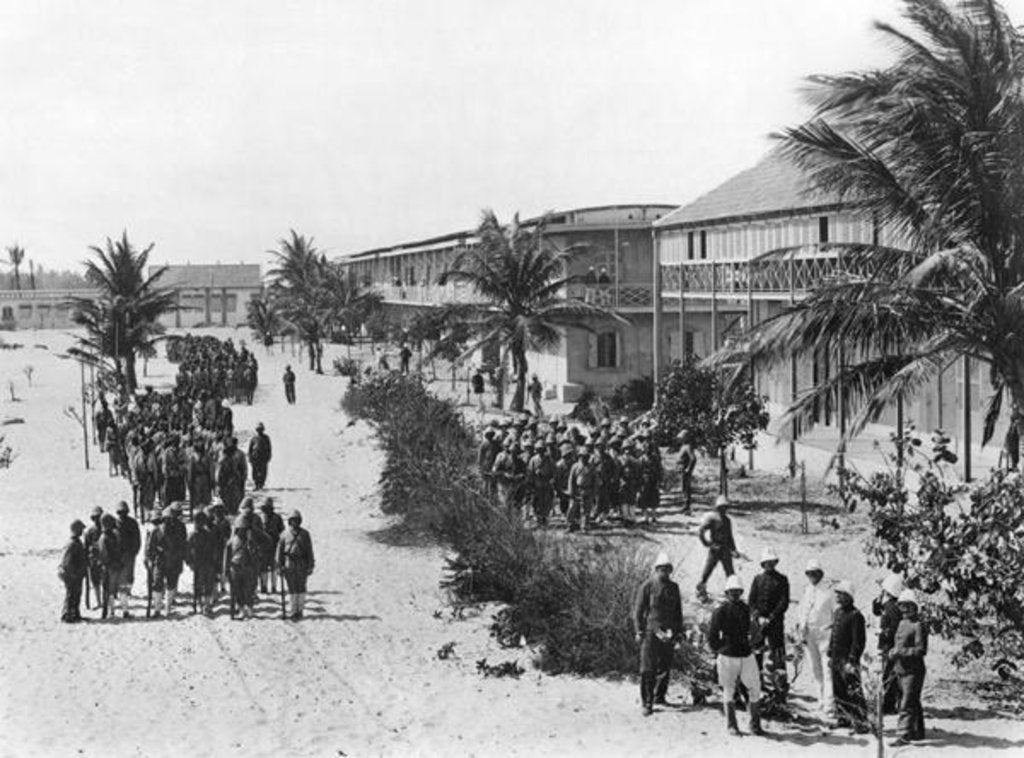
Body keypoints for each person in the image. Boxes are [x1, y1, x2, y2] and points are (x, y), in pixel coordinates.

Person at [709, 574, 765, 737]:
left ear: (741, 592)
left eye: (737, 591)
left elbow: (755, 631)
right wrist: (720, 650)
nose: (734, 594)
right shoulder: (720, 611)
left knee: (755, 688)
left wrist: (753, 643)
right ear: (726, 593)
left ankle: (755, 725)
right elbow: (712, 636)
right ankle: (731, 725)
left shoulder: (747, 609)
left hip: (745, 653)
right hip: (727, 655)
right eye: (731, 591)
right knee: (728, 690)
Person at [633, 552, 684, 716]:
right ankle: (647, 703)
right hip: (650, 632)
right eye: (662, 569)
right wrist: (638, 631)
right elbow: (638, 611)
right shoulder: (647, 586)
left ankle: (659, 696)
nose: (665, 572)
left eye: (667, 569)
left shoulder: (674, 587)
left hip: (668, 633)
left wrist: (678, 632)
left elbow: (678, 612)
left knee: (665, 666)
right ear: (656, 569)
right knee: (648, 668)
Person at [749, 547, 791, 704]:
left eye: (772, 562)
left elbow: (784, 602)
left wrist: (771, 617)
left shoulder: (782, 579)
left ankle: (780, 686)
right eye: (767, 563)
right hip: (758, 623)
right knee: (757, 652)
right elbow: (751, 601)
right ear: (763, 563)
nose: (769, 565)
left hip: (775, 622)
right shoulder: (757, 579)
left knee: (778, 653)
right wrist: (758, 617)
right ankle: (756, 682)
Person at [794, 558, 834, 716]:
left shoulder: (828, 592)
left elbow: (835, 613)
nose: (812, 576)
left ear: (821, 574)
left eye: (815, 573)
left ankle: (829, 704)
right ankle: (821, 699)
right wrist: (800, 627)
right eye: (809, 573)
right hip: (809, 634)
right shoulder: (806, 589)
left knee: (827, 669)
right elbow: (801, 609)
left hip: (825, 634)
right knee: (815, 669)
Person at [829, 580, 868, 732]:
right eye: (837, 594)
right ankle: (843, 718)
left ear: (848, 596)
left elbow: (858, 642)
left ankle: (861, 722)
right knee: (838, 689)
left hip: (847, 659)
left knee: (853, 691)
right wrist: (830, 654)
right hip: (836, 659)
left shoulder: (855, 615)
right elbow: (834, 634)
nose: (838, 597)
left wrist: (852, 660)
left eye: (841, 594)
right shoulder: (838, 612)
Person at [890, 589, 928, 746]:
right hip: (901, 668)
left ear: (914, 608)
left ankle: (903, 734)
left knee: (907, 703)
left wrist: (901, 652)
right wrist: (893, 652)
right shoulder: (901, 623)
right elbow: (898, 643)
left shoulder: (918, 625)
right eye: (901, 606)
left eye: (908, 606)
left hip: (914, 670)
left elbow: (921, 650)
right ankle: (917, 731)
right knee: (912, 700)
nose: (904, 610)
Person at [696, 495, 739, 600]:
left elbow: (730, 537)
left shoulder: (728, 521)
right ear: (717, 508)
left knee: (730, 573)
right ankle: (701, 591)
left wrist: (734, 550)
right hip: (715, 550)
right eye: (721, 507)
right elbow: (701, 531)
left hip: (725, 550)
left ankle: (732, 593)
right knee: (707, 571)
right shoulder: (712, 519)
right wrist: (707, 543)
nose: (723, 509)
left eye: (725, 507)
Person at [873, 573, 904, 715]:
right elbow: (876, 610)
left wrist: (883, 632)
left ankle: (890, 704)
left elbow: (894, 628)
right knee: (889, 674)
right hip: (888, 644)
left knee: (889, 675)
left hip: (889, 645)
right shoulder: (890, 605)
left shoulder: (892, 607)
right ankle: (892, 703)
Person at [277, 509, 315, 620]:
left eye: (297, 520)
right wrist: (279, 565)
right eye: (293, 520)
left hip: (302, 563)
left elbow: (309, 550)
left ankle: (300, 610)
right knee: (292, 588)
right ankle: (293, 610)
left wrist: (311, 565)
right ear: (289, 521)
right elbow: (279, 551)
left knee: (301, 587)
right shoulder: (284, 535)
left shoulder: (305, 534)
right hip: (289, 564)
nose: (295, 522)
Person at [224, 512, 259, 620]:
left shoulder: (251, 542)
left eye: (245, 529)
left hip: (248, 568)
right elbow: (227, 558)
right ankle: (241, 610)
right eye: (241, 529)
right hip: (235, 568)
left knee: (248, 590)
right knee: (237, 591)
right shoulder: (231, 542)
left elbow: (255, 556)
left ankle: (248, 609)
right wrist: (225, 570)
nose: (243, 531)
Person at [186, 511, 220, 616]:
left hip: (198, 563)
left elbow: (186, 550)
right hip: (208, 563)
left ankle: (201, 605)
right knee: (207, 585)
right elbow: (215, 550)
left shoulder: (192, 535)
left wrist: (189, 562)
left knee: (198, 585)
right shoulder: (209, 534)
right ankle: (206, 605)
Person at [59, 519, 88, 623]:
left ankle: (75, 614)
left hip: (76, 573)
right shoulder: (72, 544)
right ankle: (67, 615)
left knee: (76, 594)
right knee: (71, 595)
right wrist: (73, 574)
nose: (82, 531)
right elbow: (67, 562)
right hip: (72, 574)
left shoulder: (77, 542)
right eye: (80, 529)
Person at [115, 501, 141, 604]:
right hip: (118, 553)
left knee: (129, 574)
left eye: (124, 512)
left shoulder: (132, 523)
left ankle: (127, 591)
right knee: (119, 573)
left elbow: (137, 539)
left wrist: (134, 551)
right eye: (120, 512)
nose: (122, 514)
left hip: (129, 553)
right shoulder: (115, 523)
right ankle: (120, 592)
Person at [257, 498, 285, 592]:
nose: (267, 510)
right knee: (263, 567)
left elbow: (282, 531)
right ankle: (264, 587)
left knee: (273, 567)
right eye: (265, 508)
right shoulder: (260, 518)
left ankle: (273, 587)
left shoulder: (277, 518)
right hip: (263, 547)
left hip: (274, 545)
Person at [525, 440, 555, 527]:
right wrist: (530, 484)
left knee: (547, 502)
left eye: (542, 449)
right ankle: (538, 519)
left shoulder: (549, 459)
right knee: (537, 502)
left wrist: (552, 479)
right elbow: (530, 472)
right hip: (537, 484)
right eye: (538, 449)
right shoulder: (533, 459)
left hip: (546, 484)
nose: (540, 451)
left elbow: (554, 471)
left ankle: (544, 518)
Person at [216, 436, 248, 516]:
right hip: (225, 483)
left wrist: (242, 479)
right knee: (226, 500)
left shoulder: (240, 454)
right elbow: (219, 472)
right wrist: (219, 483)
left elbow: (243, 468)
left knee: (236, 500)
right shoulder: (223, 457)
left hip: (235, 482)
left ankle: (233, 513)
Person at [83, 506, 104, 611]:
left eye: (99, 517)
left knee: (104, 582)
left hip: (104, 560)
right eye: (96, 517)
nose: (97, 519)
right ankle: (99, 602)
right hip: (94, 560)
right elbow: (86, 547)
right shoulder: (90, 531)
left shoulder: (106, 530)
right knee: (96, 582)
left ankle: (103, 602)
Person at [676, 430, 697, 514]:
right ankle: (685, 505)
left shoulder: (688, 446)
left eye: (682, 438)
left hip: (684, 469)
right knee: (683, 487)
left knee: (686, 488)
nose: (680, 439)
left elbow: (693, 458)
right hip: (681, 468)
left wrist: (689, 468)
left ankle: (687, 506)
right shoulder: (684, 446)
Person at [248, 422, 273, 490]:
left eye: (261, 429)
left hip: (263, 457)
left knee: (263, 472)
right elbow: (250, 449)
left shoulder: (266, 438)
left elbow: (269, 448)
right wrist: (250, 457)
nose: (259, 430)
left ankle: (261, 485)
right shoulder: (253, 438)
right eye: (258, 429)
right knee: (255, 471)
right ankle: (256, 484)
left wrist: (269, 456)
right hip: (255, 457)